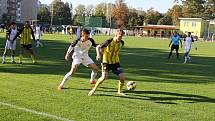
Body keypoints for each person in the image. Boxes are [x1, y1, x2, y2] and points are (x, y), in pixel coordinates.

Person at [88, 29, 126, 96]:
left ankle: (119, 91)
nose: (121, 38)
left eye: (122, 36)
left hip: (115, 63)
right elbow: (98, 47)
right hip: (106, 62)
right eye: (120, 36)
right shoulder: (109, 41)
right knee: (104, 77)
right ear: (116, 35)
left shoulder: (121, 43)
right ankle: (93, 90)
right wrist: (99, 54)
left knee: (122, 77)